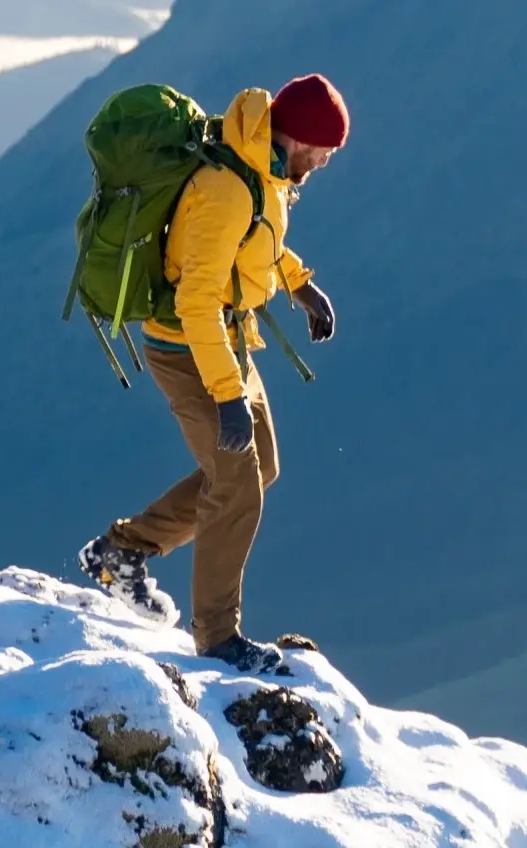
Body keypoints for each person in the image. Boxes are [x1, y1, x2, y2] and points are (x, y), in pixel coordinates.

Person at [79, 72, 348, 672]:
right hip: (188, 350)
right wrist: (226, 396)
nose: (328, 160)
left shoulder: (267, 176)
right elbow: (196, 297)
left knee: (261, 466)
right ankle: (217, 638)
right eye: (326, 148)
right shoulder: (228, 188)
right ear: (298, 137)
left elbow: (261, 246)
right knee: (238, 484)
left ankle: (122, 551)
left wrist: (300, 287)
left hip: (228, 342)